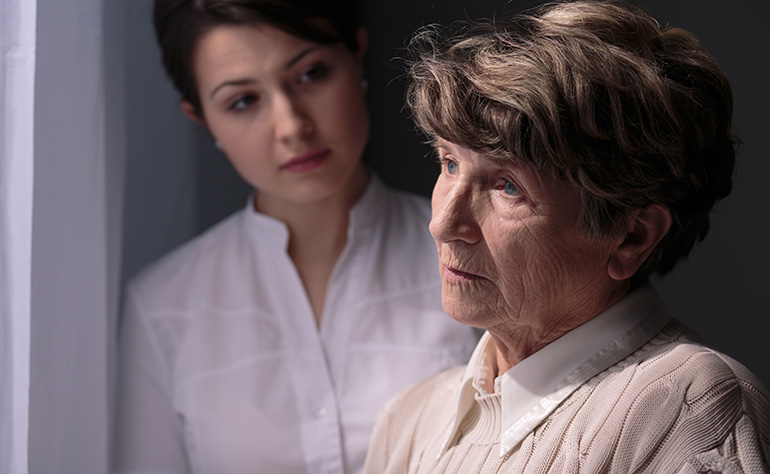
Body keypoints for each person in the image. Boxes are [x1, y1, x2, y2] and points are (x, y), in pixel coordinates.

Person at [363, 1, 770, 472]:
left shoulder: (694, 408)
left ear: (631, 236)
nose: (444, 223)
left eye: (507, 186)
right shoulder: (407, 421)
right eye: (449, 162)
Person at [112, 1, 480, 473]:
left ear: (357, 54)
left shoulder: (475, 253)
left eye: (312, 74)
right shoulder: (162, 308)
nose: (291, 126)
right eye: (243, 101)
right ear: (202, 119)